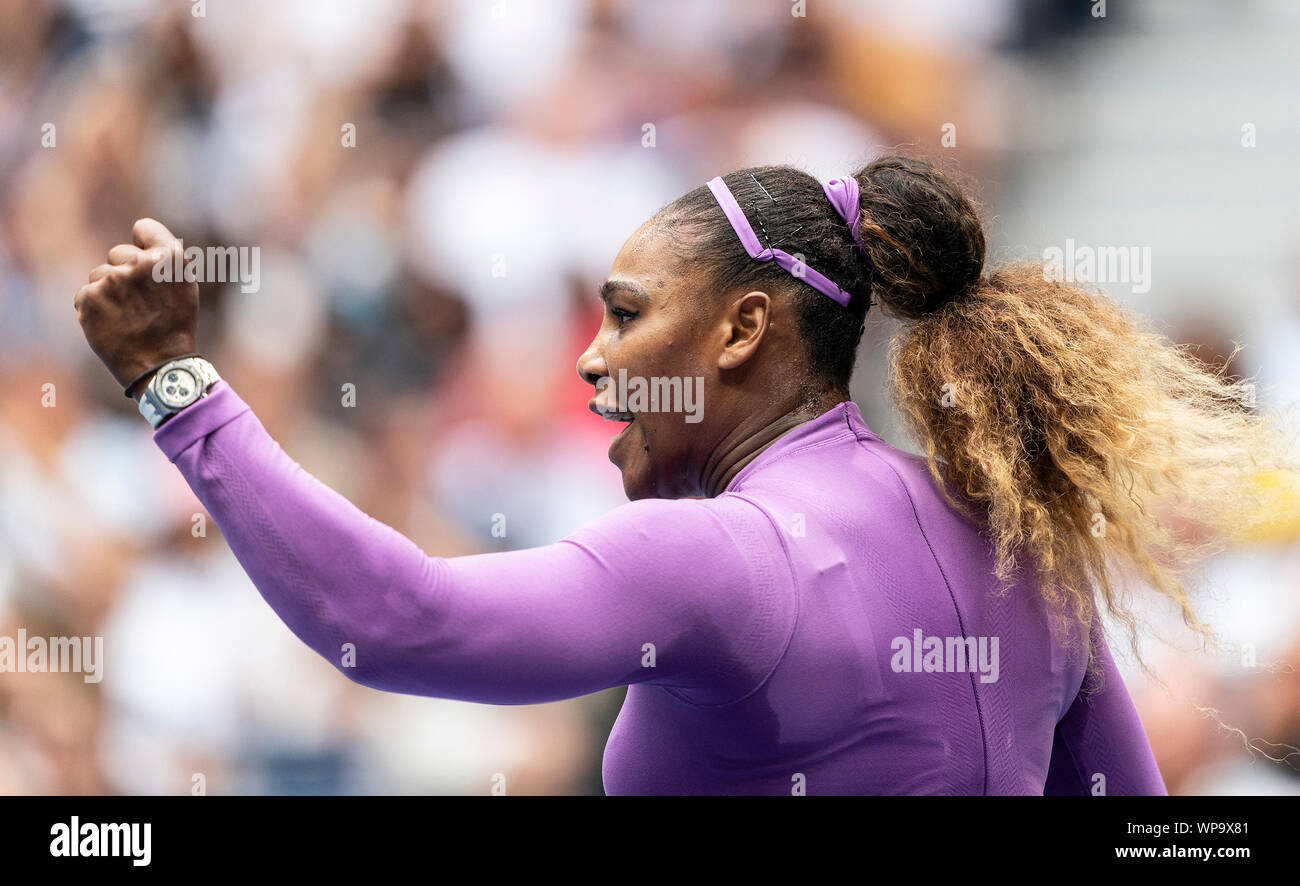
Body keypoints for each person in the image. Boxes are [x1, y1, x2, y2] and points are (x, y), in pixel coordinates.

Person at [74, 155, 1291, 794]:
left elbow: (394, 620)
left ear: (743, 329)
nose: (592, 361)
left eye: (623, 315)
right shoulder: (1027, 550)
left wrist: (176, 386)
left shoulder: (720, 559)